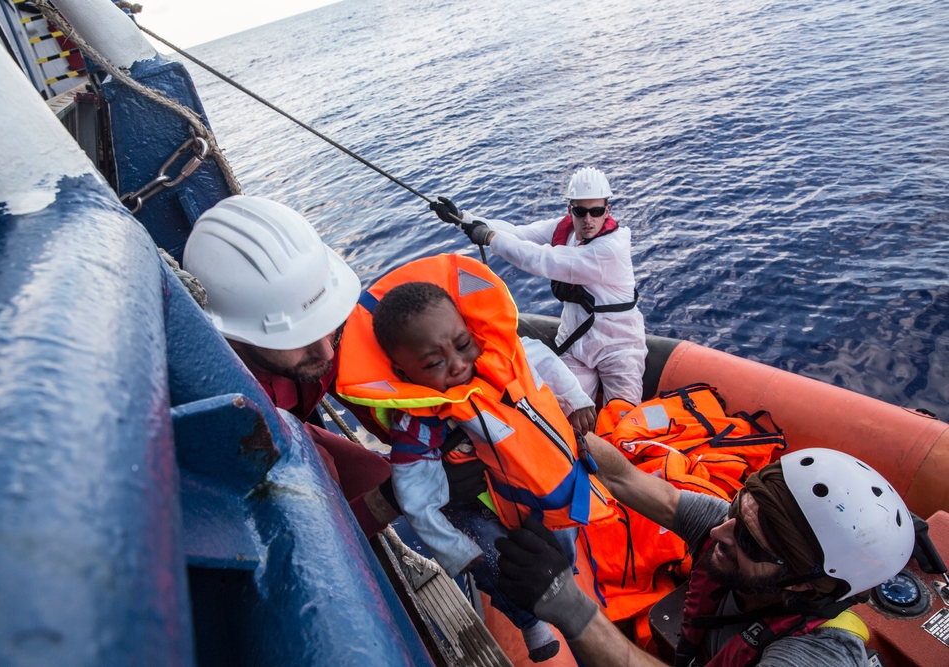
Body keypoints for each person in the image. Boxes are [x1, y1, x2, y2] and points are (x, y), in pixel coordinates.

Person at [335, 254, 621, 662]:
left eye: (464, 344)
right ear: (401, 371)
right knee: (492, 558)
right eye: (434, 363)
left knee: (561, 539)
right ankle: (530, 623)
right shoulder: (416, 426)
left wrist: (575, 399)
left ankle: (568, 579)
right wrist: (453, 549)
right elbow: (415, 495)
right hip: (476, 504)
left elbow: (540, 357)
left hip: (539, 487)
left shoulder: (504, 358)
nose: (457, 364)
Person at [494, 440, 915, 667]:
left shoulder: (816, 656)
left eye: (748, 542)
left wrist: (566, 603)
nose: (718, 530)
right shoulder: (735, 536)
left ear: (804, 582)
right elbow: (625, 478)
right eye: (736, 509)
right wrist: (545, 429)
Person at [183, 195, 399, 538]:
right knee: (329, 477)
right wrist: (387, 503)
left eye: (327, 324)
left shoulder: (330, 334)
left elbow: (385, 404)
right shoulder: (224, 406)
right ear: (236, 339)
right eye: (298, 338)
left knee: (380, 475)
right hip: (264, 448)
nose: (326, 351)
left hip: (291, 421)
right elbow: (297, 537)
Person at [431, 167, 647, 406]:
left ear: (607, 211)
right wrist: (463, 218)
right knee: (566, 410)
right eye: (580, 211)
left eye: (596, 211)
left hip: (618, 346)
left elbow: (544, 259)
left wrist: (490, 238)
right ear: (570, 210)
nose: (588, 219)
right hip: (576, 340)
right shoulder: (563, 229)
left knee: (625, 416)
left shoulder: (610, 249)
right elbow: (517, 234)